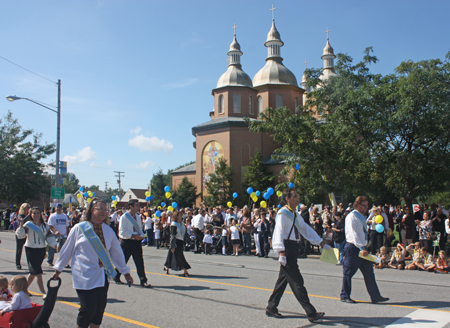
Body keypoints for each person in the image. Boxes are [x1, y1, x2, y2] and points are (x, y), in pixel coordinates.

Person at [52, 197, 133, 328]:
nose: (103, 212)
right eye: (99, 208)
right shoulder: (79, 228)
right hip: (84, 275)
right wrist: (58, 269)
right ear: (91, 210)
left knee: (98, 311)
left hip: (102, 276)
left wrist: (125, 272)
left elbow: (117, 253)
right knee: (87, 309)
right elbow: (67, 250)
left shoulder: (108, 230)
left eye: (105, 209)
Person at [266, 188, 325, 323]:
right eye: (295, 196)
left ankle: (271, 307)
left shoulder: (295, 214)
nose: (298, 199)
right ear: (287, 198)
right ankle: (311, 312)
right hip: (286, 248)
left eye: (298, 196)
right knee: (297, 282)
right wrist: (281, 251)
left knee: (283, 280)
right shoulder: (283, 213)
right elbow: (278, 232)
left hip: (293, 247)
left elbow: (305, 229)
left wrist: (319, 241)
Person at [340, 196, 389, 304]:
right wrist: (361, 247)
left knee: (369, 273)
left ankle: (375, 296)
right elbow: (354, 234)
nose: (366, 207)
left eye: (367, 205)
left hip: (362, 248)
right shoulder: (352, 217)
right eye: (364, 205)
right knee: (348, 272)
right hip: (354, 248)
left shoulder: (361, 216)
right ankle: (345, 295)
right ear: (357, 204)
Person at [113, 199, 151, 288]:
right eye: (137, 205)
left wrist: (142, 236)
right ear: (131, 206)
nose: (138, 207)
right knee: (123, 261)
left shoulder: (138, 217)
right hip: (127, 242)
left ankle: (143, 280)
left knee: (139, 262)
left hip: (136, 243)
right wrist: (133, 236)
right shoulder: (124, 217)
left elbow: (139, 229)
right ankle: (116, 276)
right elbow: (122, 231)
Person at [15, 207, 48, 298]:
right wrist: (21, 225)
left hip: (41, 249)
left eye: (38, 213)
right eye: (34, 213)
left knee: (33, 272)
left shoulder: (44, 225)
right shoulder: (28, 225)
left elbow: (48, 235)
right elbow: (20, 236)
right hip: (31, 249)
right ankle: (43, 292)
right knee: (38, 271)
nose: (36, 215)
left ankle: (23, 290)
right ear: (31, 215)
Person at [164, 210, 191, 277]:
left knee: (171, 255)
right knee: (180, 256)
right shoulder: (174, 224)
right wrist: (172, 246)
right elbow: (172, 236)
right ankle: (185, 270)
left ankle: (167, 267)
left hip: (181, 241)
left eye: (181, 215)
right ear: (176, 216)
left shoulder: (182, 224)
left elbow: (185, 233)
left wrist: (189, 240)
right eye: (179, 215)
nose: (181, 216)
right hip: (176, 242)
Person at [15, 203, 31, 270]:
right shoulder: (20, 215)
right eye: (27, 207)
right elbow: (22, 222)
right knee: (19, 249)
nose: (29, 208)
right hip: (21, 234)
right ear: (23, 208)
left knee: (29, 249)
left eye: (29, 207)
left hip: (28, 233)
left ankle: (30, 264)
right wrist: (28, 215)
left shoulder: (30, 216)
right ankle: (18, 263)